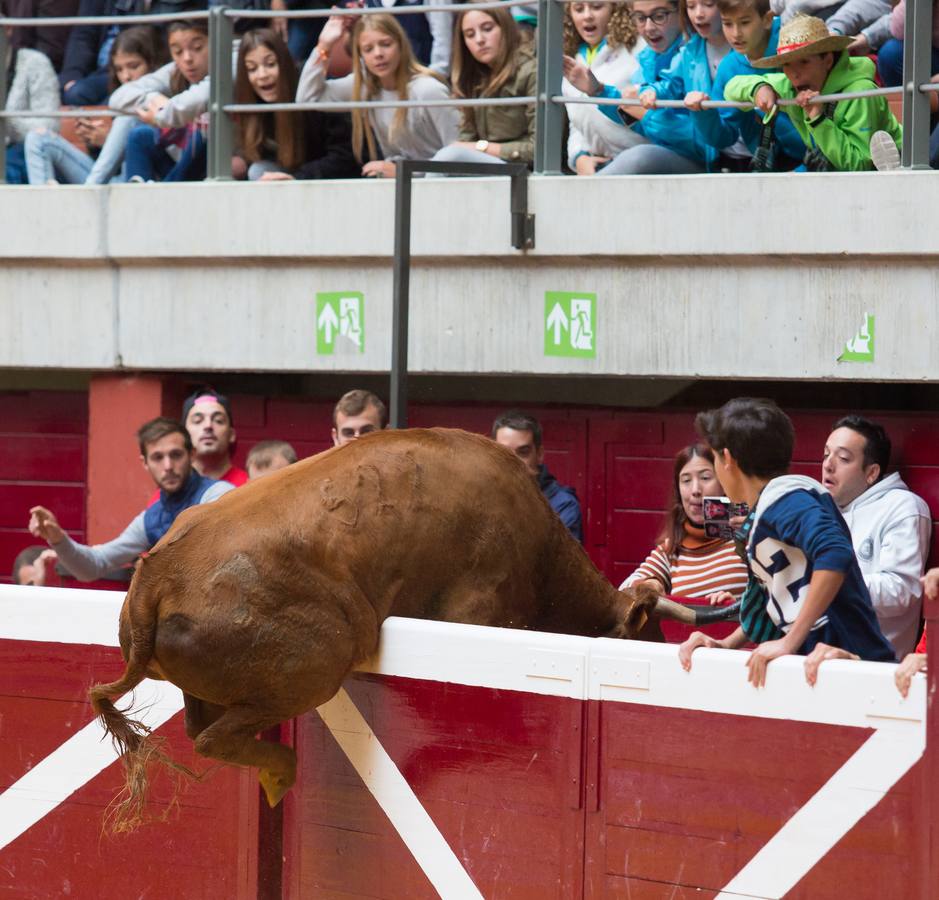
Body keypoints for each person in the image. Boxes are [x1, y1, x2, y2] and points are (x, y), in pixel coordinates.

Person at [679, 397, 895, 688]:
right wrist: (725, 644)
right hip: (822, 673)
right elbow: (769, 597)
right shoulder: (765, 511)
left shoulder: (788, 500)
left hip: (859, 671)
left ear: (727, 459)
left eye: (714, 459)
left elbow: (835, 552)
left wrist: (789, 641)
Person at [27, 417, 235, 582]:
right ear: (144, 463)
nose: (168, 465)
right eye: (157, 457)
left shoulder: (220, 496)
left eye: (176, 455)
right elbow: (93, 566)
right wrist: (58, 539)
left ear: (191, 455)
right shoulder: (150, 520)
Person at [724, 15, 903, 171]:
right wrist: (759, 89)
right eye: (786, 64)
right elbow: (731, 87)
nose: (794, 73)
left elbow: (859, 166)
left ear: (827, 60)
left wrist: (818, 121)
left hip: (895, 172)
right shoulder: (790, 85)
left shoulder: (859, 92)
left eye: (804, 62)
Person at [297, 12, 458, 179]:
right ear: (361, 57)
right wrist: (324, 46)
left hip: (441, 184)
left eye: (386, 44)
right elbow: (307, 99)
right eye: (368, 49)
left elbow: (458, 154)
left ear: (401, 46)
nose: (378, 54)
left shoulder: (428, 89)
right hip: (404, 183)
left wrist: (403, 171)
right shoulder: (365, 87)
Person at [821, 415, 931, 659]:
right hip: (812, 657)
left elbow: (901, 590)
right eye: (826, 454)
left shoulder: (902, 507)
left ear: (871, 473)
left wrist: (826, 582)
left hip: (872, 668)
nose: (828, 465)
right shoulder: (818, 509)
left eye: (843, 458)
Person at [25, 26, 164, 185]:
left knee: (128, 121)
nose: (126, 76)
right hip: (104, 184)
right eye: (119, 69)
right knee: (38, 139)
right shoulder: (118, 98)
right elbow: (107, 166)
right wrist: (95, 143)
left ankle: (86, 192)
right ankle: (46, 205)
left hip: (137, 184)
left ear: (152, 63)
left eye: (133, 66)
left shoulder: (163, 97)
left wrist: (108, 139)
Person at [683, 0, 806, 170]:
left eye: (745, 23)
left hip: (819, 161)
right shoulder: (729, 67)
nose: (736, 33)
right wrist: (703, 112)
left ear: (767, 19)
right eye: (727, 23)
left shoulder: (797, 44)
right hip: (769, 169)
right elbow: (725, 136)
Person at [621, 443, 749, 601]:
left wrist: (738, 606)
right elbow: (624, 590)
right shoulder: (671, 549)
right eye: (686, 480)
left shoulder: (748, 533)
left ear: (724, 483)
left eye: (705, 478)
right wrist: (650, 584)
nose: (695, 490)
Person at [234, 28, 358, 182]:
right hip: (291, 179)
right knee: (257, 171)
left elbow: (344, 157)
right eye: (252, 69)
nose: (262, 75)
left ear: (284, 63)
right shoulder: (248, 102)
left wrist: (297, 178)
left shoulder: (311, 88)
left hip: (326, 182)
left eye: (270, 64)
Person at [431, 1, 537, 168]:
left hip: (523, 170)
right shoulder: (472, 77)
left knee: (450, 156)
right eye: (470, 34)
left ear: (506, 28)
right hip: (488, 168)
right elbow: (466, 139)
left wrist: (481, 147)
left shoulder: (532, 71)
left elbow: (538, 149)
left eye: (487, 29)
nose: (480, 40)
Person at [110, 18, 211, 182]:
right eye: (178, 52)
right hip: (182, 161)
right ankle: (139, 195)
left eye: (197, 48)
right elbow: (118, 97)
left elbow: (198, 99)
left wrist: (162, 115)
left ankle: (162, 192)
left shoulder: (231, 61)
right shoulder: (174, 71)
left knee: (203, 133)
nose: (187, 58)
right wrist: (155, 99)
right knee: (140, 135)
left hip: (222, 163)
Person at [560, 0, 647, 175]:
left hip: (641, 158)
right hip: (599, 164)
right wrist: (579, 157)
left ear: (614, 9)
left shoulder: (637, 48)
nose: (587, 15)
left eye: (596, 7)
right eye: (578, 9)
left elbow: (649, 115)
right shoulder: (572, 57)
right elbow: (576, 122)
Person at [492, 410, 583, 543]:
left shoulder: (562, 505)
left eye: (523, 452)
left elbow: (557, 562)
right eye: (504, 452)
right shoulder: (485, 498)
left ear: (539, 454)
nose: (514, 461)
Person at [2, 12, 60, 185]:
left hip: (23, 148)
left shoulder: (35, 63)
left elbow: (50, 127)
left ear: (7, 29)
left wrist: (6, 120)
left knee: (7, 166)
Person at [181, 387, 249, 485]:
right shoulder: (170, 494)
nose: (208, 426)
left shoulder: (248, 487)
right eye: (197, 421)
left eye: (218, 420)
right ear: (184, 435)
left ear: (231, 434)